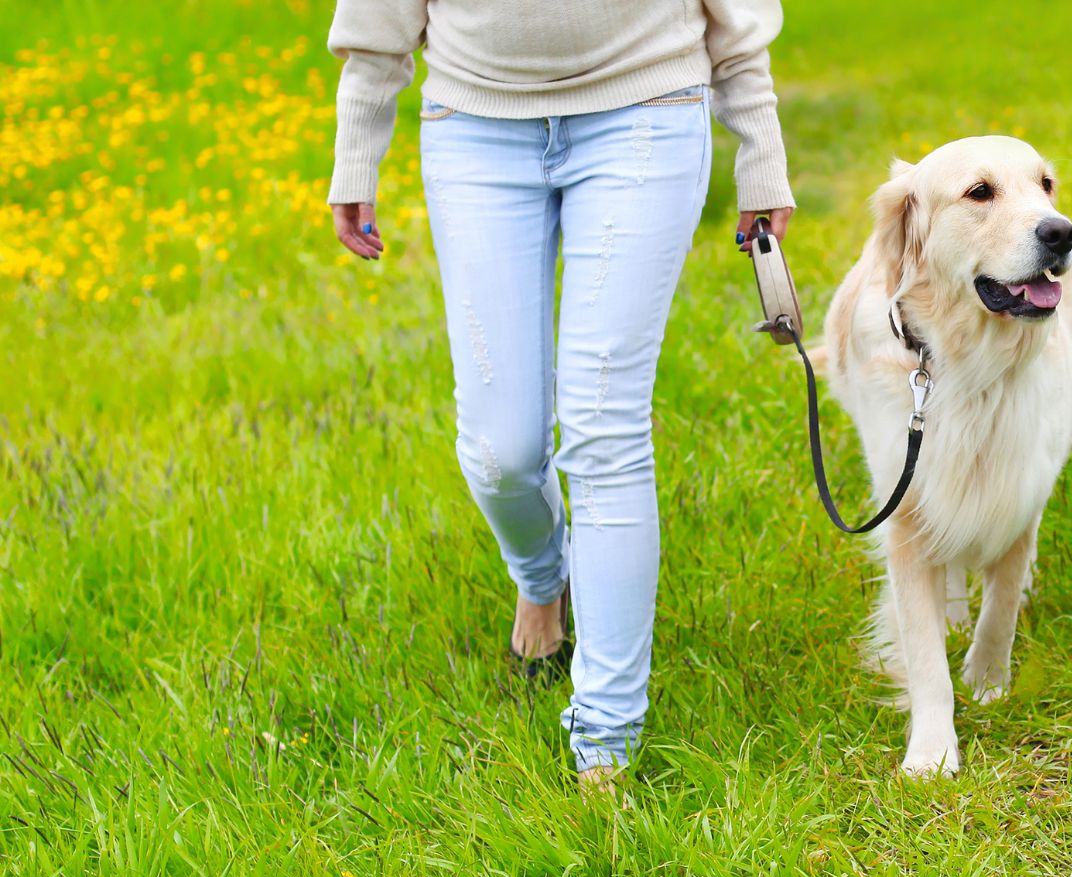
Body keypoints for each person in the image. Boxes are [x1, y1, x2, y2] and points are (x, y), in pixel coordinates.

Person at [325, 0, 794, 790]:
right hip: (473, 128)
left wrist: (761, 153)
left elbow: (739, 21)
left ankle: (605, 739)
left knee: (605, 425)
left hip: (645, 112)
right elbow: (377, 21)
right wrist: (356, 153)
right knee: (499, 451)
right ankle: (544, 579)